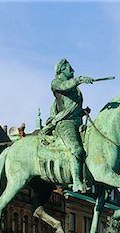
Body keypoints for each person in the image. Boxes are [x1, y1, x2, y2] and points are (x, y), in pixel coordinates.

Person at [41, 58, 93, 193]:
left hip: (77, 122)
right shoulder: (56, 83)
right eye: (70, 68)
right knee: (76, 149)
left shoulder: (75, 90)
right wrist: (79, 79)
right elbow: (65, 87)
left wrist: (83, 112)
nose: (73, 70)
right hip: (65, 123)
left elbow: (72, 107)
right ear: (62, 70)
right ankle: (76, 182)